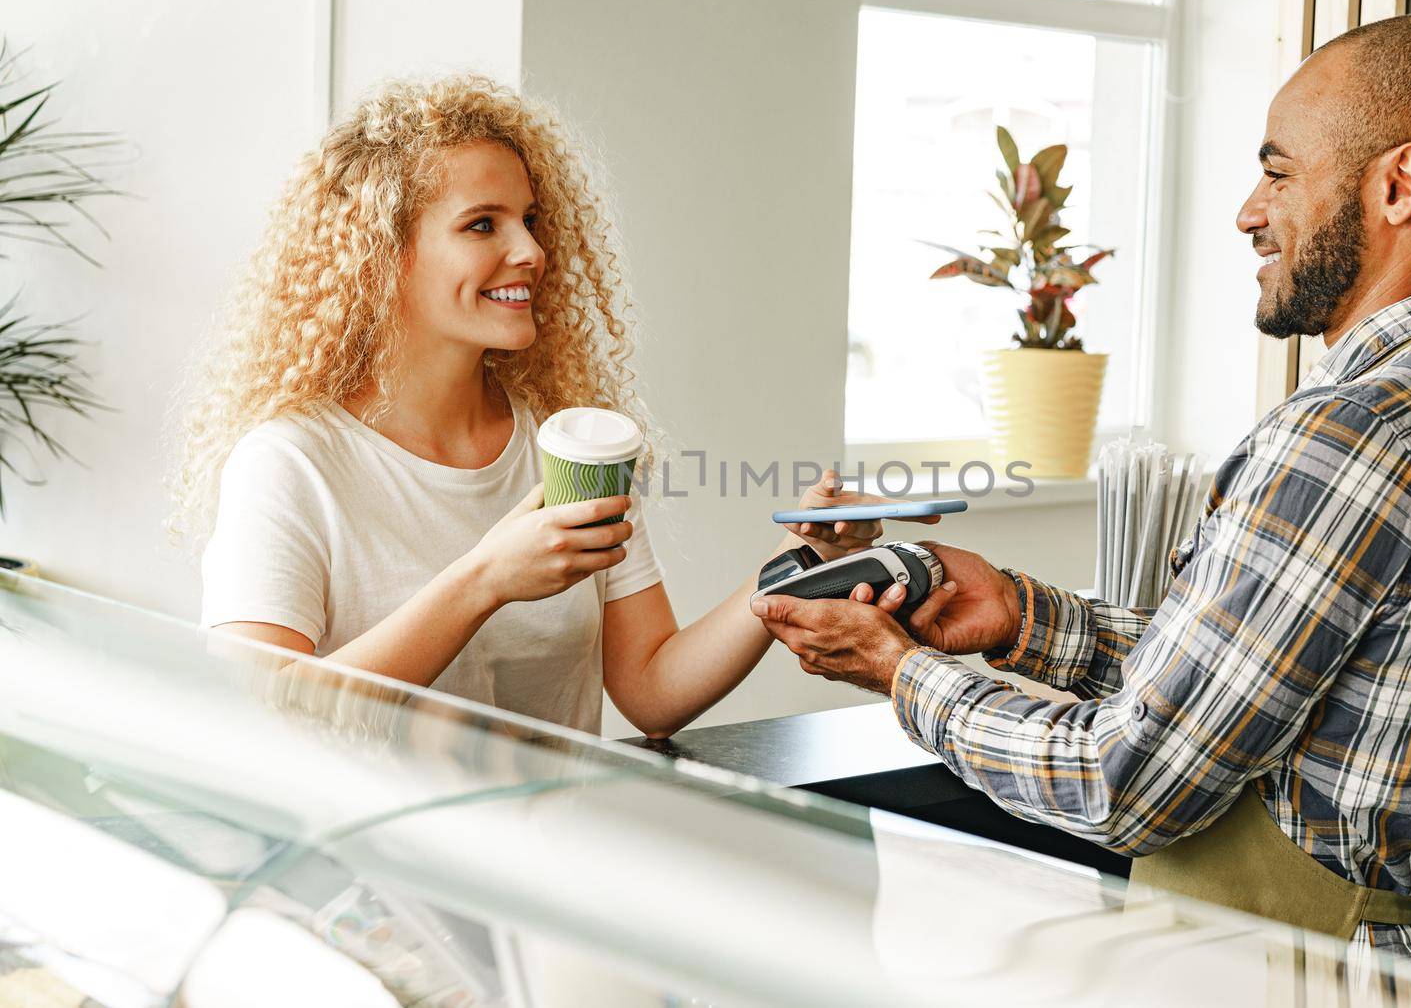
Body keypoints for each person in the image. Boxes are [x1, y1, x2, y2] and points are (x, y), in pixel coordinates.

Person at [750, 15, 1411, 978]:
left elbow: (1126, 782)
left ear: (1400, 184)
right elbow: (1250, 687)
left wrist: (901, 673)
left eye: (1280, 171)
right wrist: (1020, 616)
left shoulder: (1354, 432)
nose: (1249, 211)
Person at [172, 75, 930, 738]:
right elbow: (264, 708)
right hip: (366, 890)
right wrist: (484, 580)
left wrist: (798, 563)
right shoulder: (291, 463)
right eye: (483, 224)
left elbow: (652, 689)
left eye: (530, 220)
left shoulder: (564, 441)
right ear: (383, 254)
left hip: (549, 877)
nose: (532, 251)